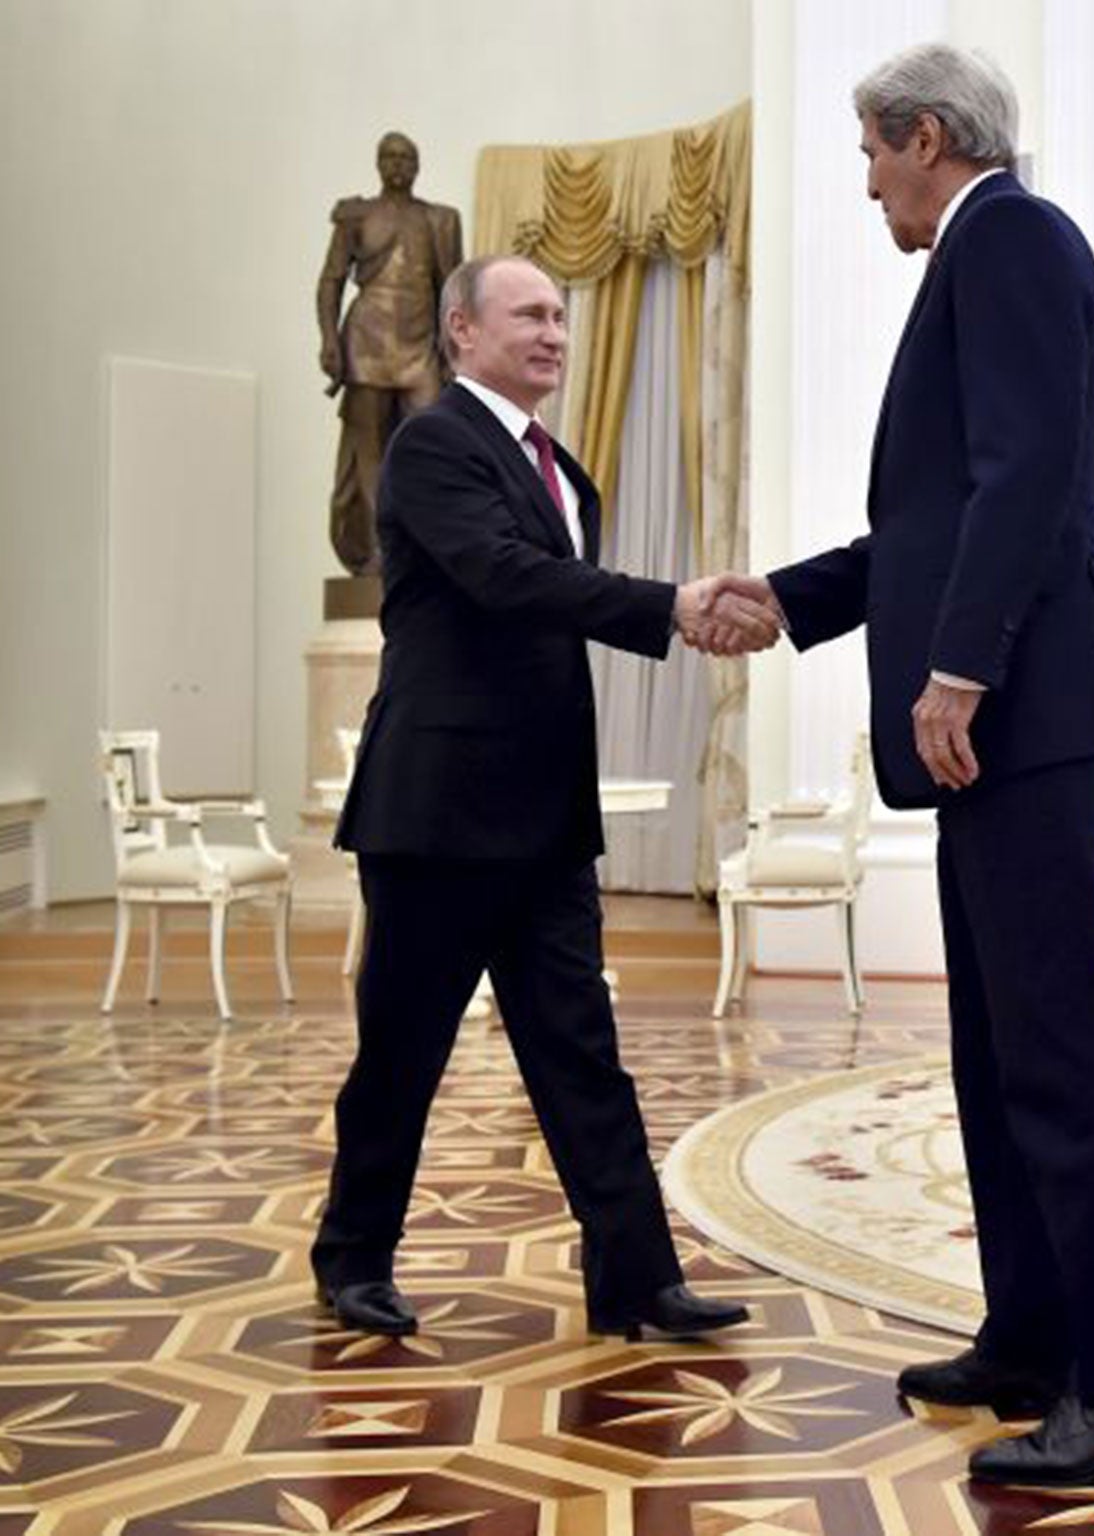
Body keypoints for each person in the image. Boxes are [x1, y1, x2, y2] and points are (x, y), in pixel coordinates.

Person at [720, 44, 1094, 1485]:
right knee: (1001, 1052)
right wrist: (790, 600)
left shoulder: (1015, 237)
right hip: (1005, 727)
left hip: (1029, 716)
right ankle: (1035, 1338)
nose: (868, 183)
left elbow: (1030, 475)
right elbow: (936, 524)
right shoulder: (983, 254)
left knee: (1065, 1053)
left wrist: (962, 665)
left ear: (926, 135)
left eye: (872, 155)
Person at [313, 253, 773, 1342]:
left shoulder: (563, 466)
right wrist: (670, 605)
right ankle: (352, 1260)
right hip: (436, 813)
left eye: (563, 317)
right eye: (529, 314)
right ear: (462, 332)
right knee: (402, 1053)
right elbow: (503, 575)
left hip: (544, 815)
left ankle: (638, 1282)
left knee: (581, 1053)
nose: (554, 333)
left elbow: (543, 605)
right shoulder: (432, 444)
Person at [317, 131, 463, 575]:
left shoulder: (440, 220)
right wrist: (328, 338)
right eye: (390, 157)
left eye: (406, 158)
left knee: (430, 443)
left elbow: (454, 291)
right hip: (367, 340)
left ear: (417, 166)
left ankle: (425, 541)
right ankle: (381, 548)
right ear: (378, 163)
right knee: (370, 451)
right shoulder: (356, 216)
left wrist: (455, 353)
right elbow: (331, 281)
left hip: (420, 345)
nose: (398, 165)